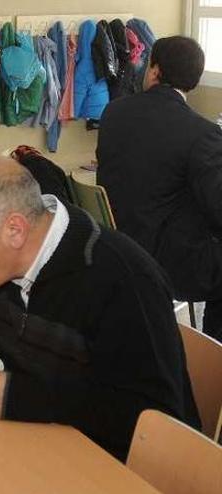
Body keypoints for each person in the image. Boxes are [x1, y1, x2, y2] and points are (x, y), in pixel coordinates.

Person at [0, 155, 200, 461]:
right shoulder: (1, 267)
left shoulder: (122, 279)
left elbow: (152, 420)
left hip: (114, 470)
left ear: (14, 230)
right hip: (31, 446)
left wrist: (17, 397)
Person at [96, 36, 222, 342]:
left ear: (154, 70)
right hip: (167, 262)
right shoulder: (203, 133)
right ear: (192, 83)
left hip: (115, 248)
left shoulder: (113, 113)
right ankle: (213, 354)